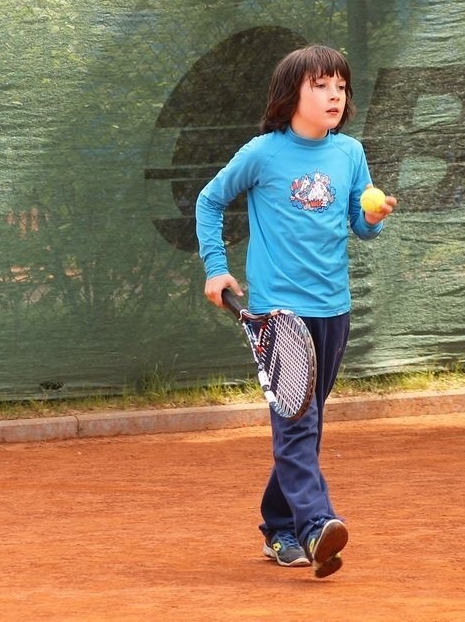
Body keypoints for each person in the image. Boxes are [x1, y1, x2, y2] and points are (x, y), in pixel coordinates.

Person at [195, 44, 396, 578]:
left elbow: (360, 223)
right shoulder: (262, 153)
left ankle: (277, 525)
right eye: (321, 85)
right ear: (291, 97)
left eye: (341, 86)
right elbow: (209, 201)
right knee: (297, 425)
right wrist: (217, 268)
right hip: (280, 316)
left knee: (306, 423)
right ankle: (313, 527)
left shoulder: (350, 154)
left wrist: (376, 217)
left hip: (335, 310)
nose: (334, 95)